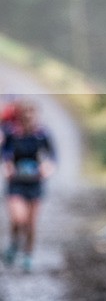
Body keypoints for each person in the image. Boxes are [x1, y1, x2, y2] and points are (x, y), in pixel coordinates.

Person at [2, 100, 56, 272]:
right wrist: (7, 166)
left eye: (32, 115)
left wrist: (47, 167)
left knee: (31, 224)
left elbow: (52, 156)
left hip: (35, 184)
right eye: (25, 115)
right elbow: (5, 154)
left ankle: (28, 256)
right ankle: (14, 244)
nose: (28, 118)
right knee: (19, 219)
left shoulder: (42, 135)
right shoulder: (12, 134)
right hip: (16, 183)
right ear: (20, 117)